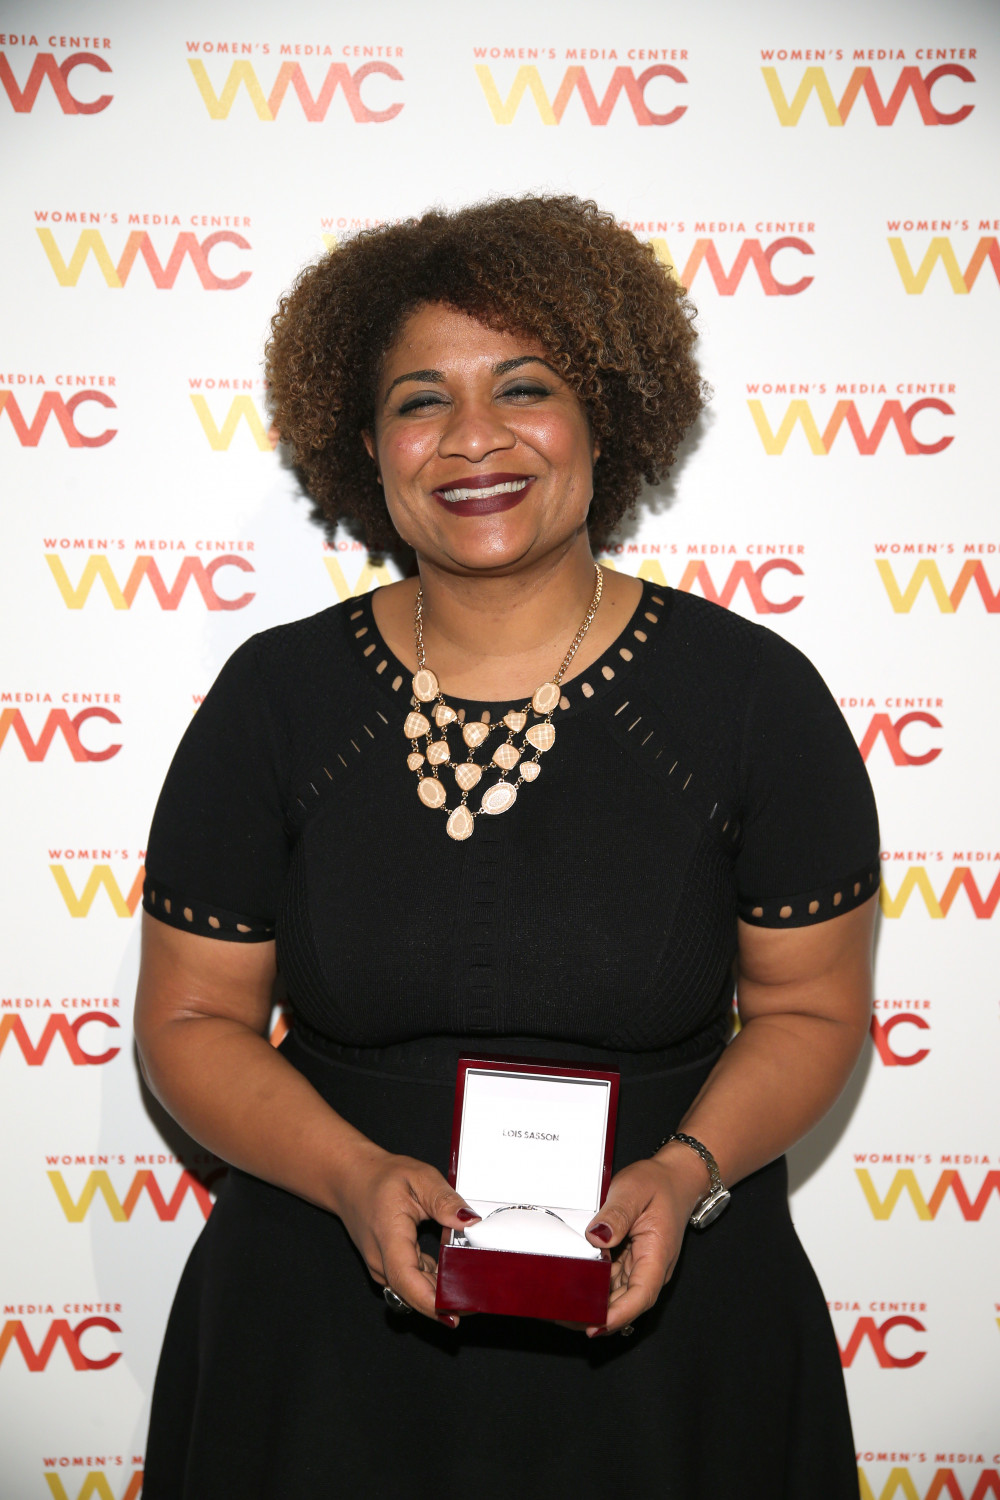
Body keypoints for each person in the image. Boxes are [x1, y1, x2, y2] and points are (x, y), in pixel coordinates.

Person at [135, 195, 879, 1498]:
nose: (473, 439)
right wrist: (357, 1176)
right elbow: (190, 1021)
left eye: (523, 388)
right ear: (366, 445)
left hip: (675, 1336)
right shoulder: (277, 698)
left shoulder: (754, 698)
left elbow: (811, 1010)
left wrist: (688, 1169)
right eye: (422, 401)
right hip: (320, 1327)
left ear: (604, 416)